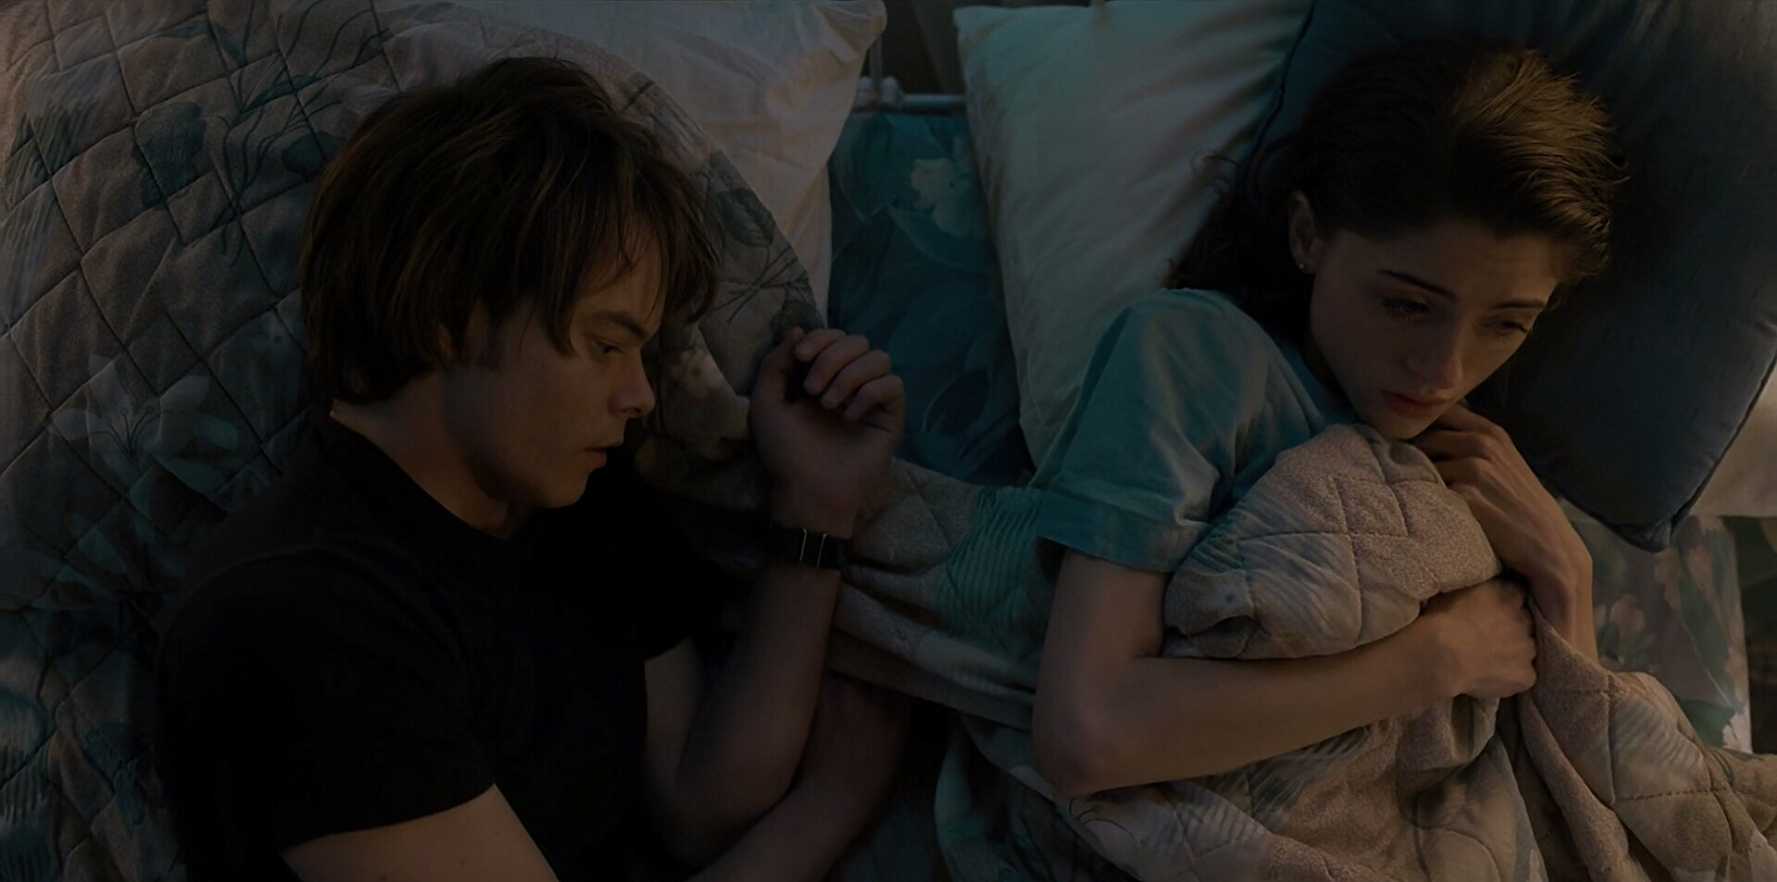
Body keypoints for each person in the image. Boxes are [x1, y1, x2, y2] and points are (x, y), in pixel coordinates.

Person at [153, 57, 910, 881]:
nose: (639, 395)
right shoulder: (302, 616)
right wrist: (833, 803)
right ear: (449, 314)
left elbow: (699, 806)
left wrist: (815, 506)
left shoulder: (571, 502)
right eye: (606, 344)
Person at [1027, 40, 1627, 798]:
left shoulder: (1486, 462)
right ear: (1307, 235)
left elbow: (1582, 803)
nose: (1443, 371)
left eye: (1505, 323)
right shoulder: (1197, 356)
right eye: (1405, 305)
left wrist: (1566, 574)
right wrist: (1436, 659)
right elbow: (1085, 735)